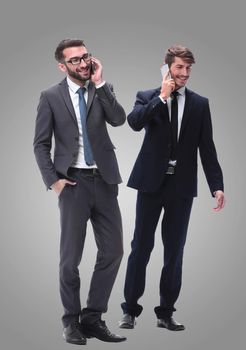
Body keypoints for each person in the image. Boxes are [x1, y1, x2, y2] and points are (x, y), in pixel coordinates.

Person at [119, 45, 225, 331]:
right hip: (151, 184)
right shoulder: (148, 96)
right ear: (167, 68)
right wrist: (162, 98)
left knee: (174, 251)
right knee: (141, 247)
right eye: (180, 67)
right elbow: (133, 123)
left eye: (189, 68)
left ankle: (165, 313)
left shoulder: (200, 104)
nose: (185, 73)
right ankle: (129, 310)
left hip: (181, 187)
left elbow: (207, 147)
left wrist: (217, 185)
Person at [34, 39, 126, 345]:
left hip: (105, 180)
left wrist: (99, 83)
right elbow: (40, 144)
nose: (83, 63)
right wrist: (54, 181)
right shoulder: (50, 96)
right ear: (63, 66)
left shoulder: (102, 88)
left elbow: (119, 119)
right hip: (72, 183)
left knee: (113, 251)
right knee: (69, 259)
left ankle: (93, 318)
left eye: (85, 57)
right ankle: (71, 321)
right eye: (74, 60)